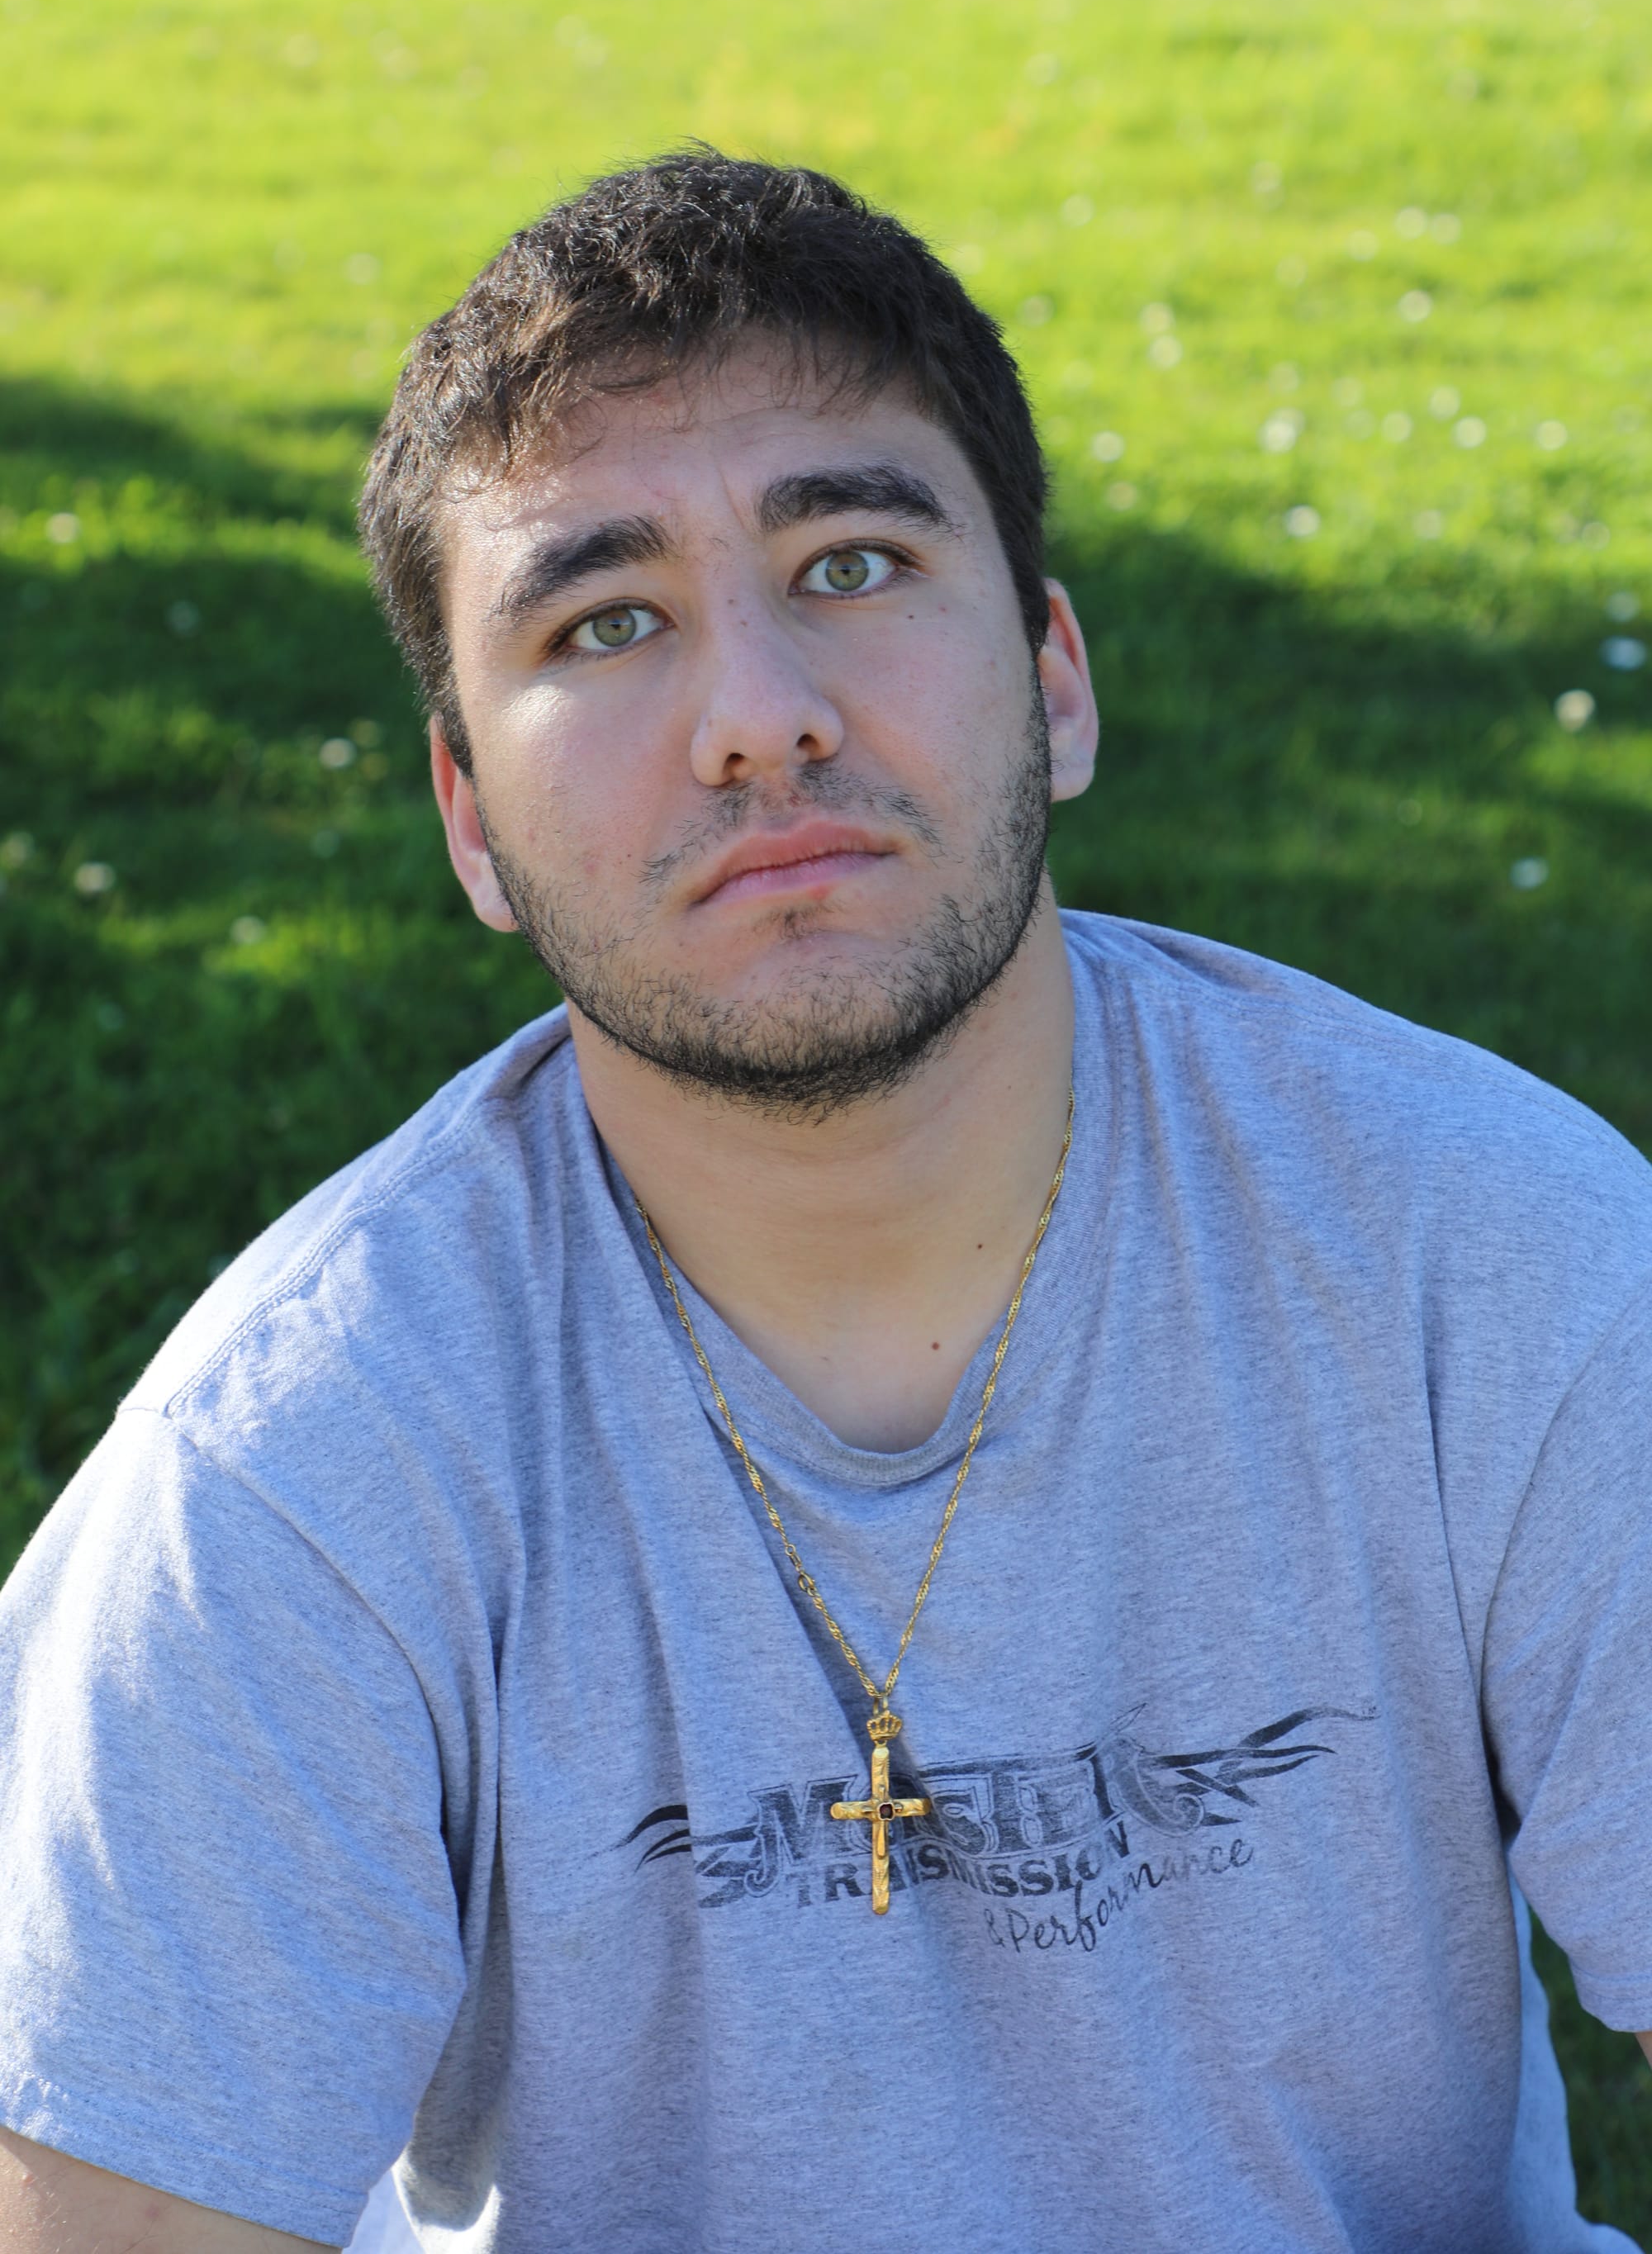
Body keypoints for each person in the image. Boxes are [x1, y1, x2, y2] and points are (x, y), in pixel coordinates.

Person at [1, 151, 1650, 2254]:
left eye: (851, 564)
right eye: (605, 625)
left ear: (1053, 678)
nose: (759, 718)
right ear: (471, 822)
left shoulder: (1493, 1259)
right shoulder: (296, 1475)